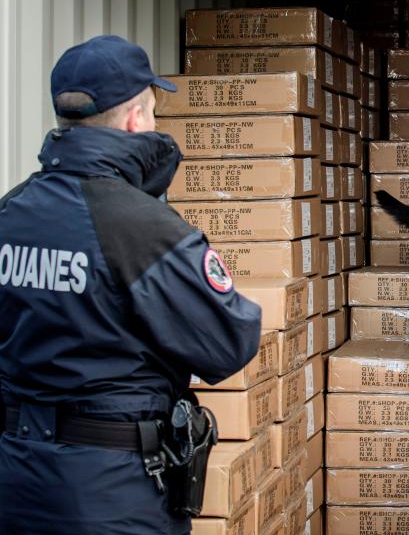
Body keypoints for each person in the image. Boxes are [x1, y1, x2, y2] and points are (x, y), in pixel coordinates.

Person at [0, 35, 262, 534]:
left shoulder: (10, 212)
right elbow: (230, 342)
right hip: (114, 494)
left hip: (17, 483)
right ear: (137, 120)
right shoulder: (144, 230)